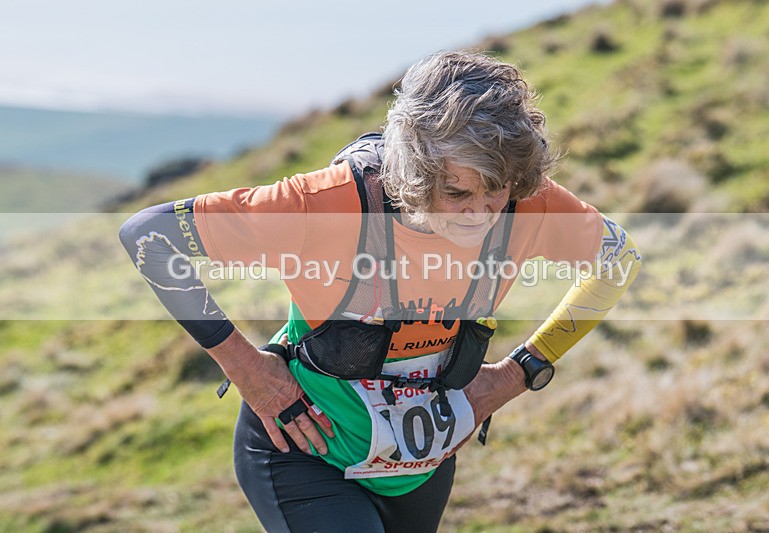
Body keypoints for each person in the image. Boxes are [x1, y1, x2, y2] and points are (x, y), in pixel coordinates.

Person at [119, 51, 641, 532]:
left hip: (421, 467)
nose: (478, 213)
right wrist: (247, 369)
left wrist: (520, 372)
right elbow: (149, 235)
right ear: (414, 172)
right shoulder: (325, 205)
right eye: (455, 193)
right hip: (305, 449)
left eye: (496, 192)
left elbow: (619, 261)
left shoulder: (531, 203)